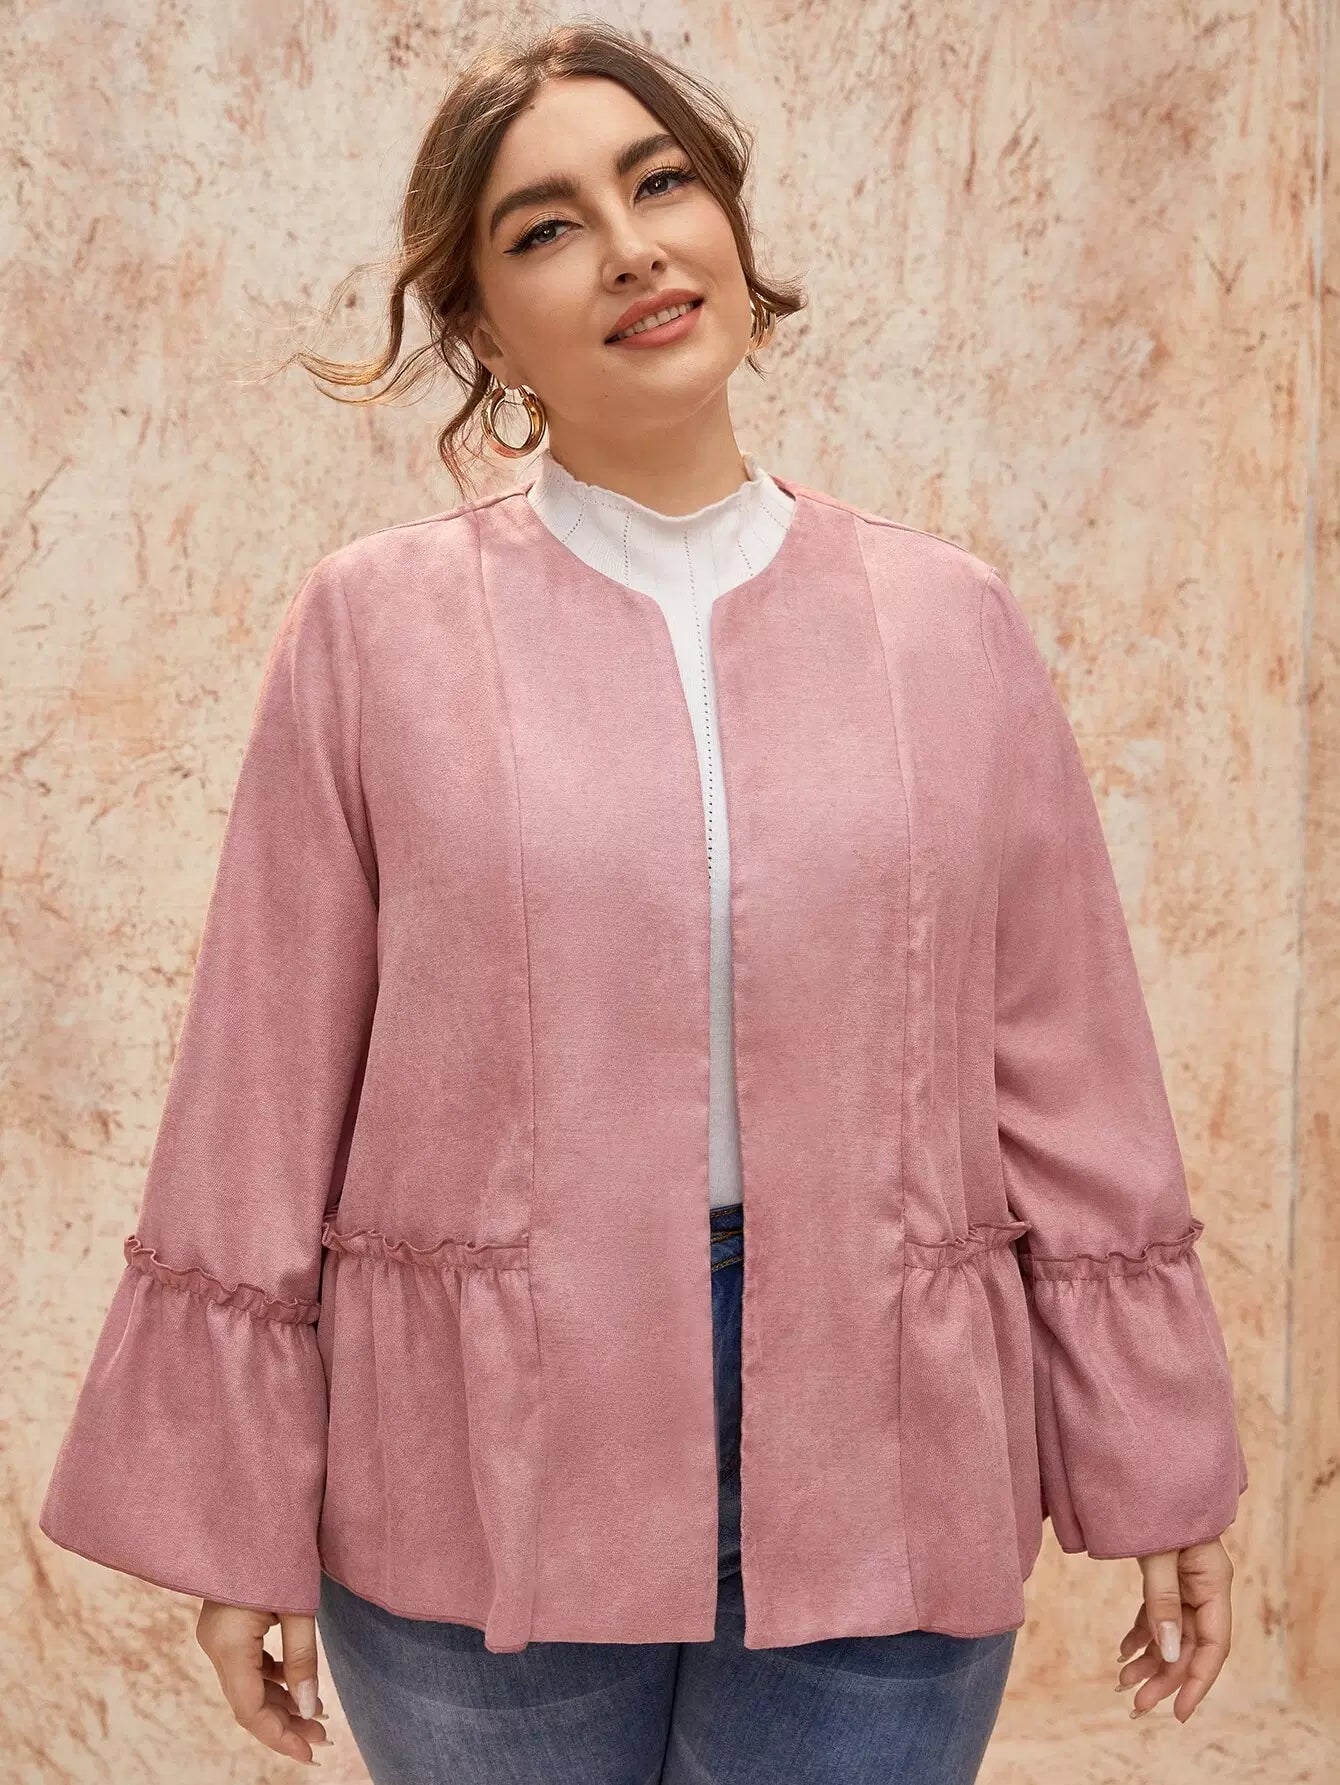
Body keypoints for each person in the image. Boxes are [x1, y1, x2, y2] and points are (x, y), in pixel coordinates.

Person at [37, 21, 1248, 1783]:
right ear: (480, 325)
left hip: (891, 1434)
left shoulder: (947, 623)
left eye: (660, 182)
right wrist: (233, 1505)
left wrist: (1156, 1452)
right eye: (546, 227)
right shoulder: (375, 634)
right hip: (475, 1454)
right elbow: (263, 1076)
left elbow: (1068, 1060)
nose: (629, 248)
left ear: (728, 226)